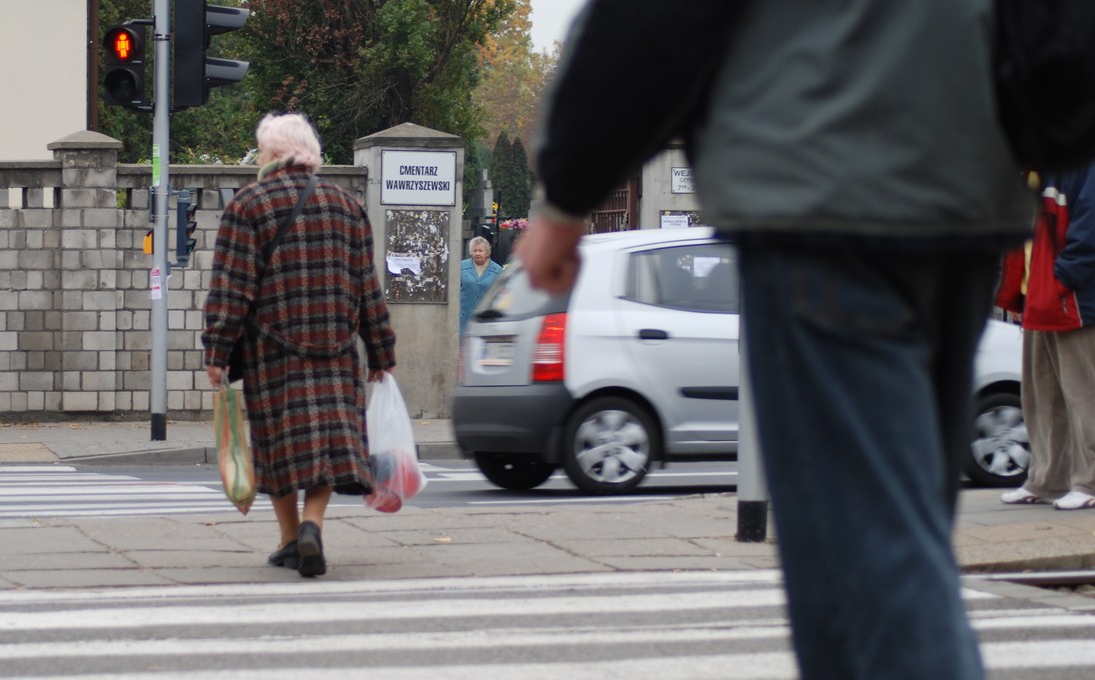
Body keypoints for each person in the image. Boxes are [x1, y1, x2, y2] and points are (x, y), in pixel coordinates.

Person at [516, 2, 1034, 679]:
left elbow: (651, 23)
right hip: (968, 191)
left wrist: (566, 193)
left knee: (871, 568)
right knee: (900, 536)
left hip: (823, 192)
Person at [203, 113, 396, 578]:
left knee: (279, 447)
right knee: (328, 447)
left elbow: (232, 289)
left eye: (261, 151)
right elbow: (368, 287)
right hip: (336, 349)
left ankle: (290, 537)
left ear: (272, 154)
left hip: (272, 351)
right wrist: (381, 352)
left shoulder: (248, 205)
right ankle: (309, 527)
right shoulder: (347, 205)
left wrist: (217, 351)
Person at [997, 167, 1095, 511]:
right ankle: (1046, 479)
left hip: (1071, 300)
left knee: (1084, 395)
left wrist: (1061, 280)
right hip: (1037, 297)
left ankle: (1089, 482)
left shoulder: (1081, 163)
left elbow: (1089, 230)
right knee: (1041, 397)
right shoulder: (1034, 169)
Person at [459, 236, 502, 332]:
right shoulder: (461, 267)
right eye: (475, 251)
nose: (477, 253)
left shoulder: (497, 270)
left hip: (486, 317)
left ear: (487, 253)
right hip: (464, 316)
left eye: (480, 251)